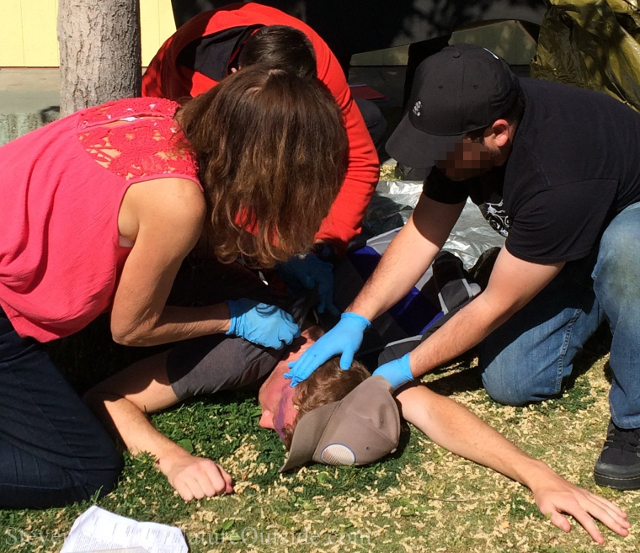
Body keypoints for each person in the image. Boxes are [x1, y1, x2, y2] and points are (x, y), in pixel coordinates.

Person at [287, 43, 640, 491]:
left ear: (498, 133)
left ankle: (635, 419)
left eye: (442, 151)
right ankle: (574, 273)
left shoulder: (557, 174)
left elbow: (494, 304)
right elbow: (421, 234)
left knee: (629, 255)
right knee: (513, 381)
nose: (431, 161)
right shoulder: (462, 131)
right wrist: (356, 317)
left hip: (627, 215)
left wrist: (402, 370)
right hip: (569, 233)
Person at [0, 65, 348, 509]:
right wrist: (234, 315)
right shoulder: (177, 203)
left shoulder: (163, 115)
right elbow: (130, 329)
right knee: (85, 469)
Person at [84, 261, 630, 545]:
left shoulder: (350, 363)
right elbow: (107, 396)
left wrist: (538, 475)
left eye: (282, 431)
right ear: (290, 376)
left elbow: (432, 411)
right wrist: (173, 457)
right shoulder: (239, 354)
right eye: (280, 421)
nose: (261, 419)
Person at [142, 3, 383, 314]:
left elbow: (359, 161)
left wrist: (324, 246)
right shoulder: (186, 74)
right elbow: (202, 178)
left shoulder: (318, 64)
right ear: (236, 79)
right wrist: (266, 253)